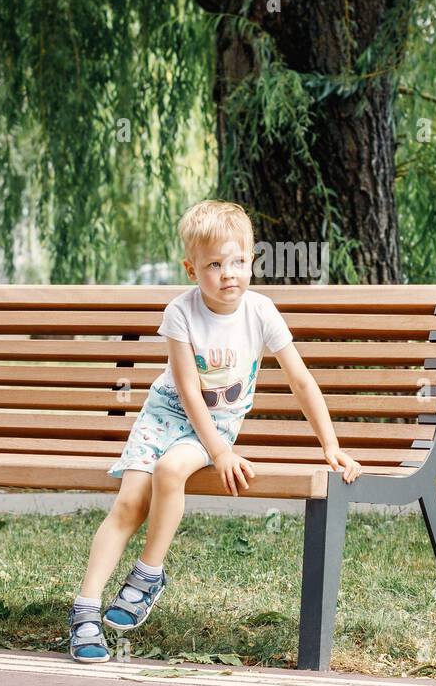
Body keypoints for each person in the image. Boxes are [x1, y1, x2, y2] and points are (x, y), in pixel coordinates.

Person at [67, 199, 363, 662]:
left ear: (252, 261)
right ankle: (85, 611)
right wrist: (221, 453)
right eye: (215, 265)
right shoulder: (180, 313)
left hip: (215, 425)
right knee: (128, 502)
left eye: (239, 262)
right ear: (191, 269)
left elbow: (301, 380)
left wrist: (331, 445)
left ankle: (148, 574)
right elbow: (186, 391)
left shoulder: (261, 313)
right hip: (165, 415)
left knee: (170, 470)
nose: (230, 274)